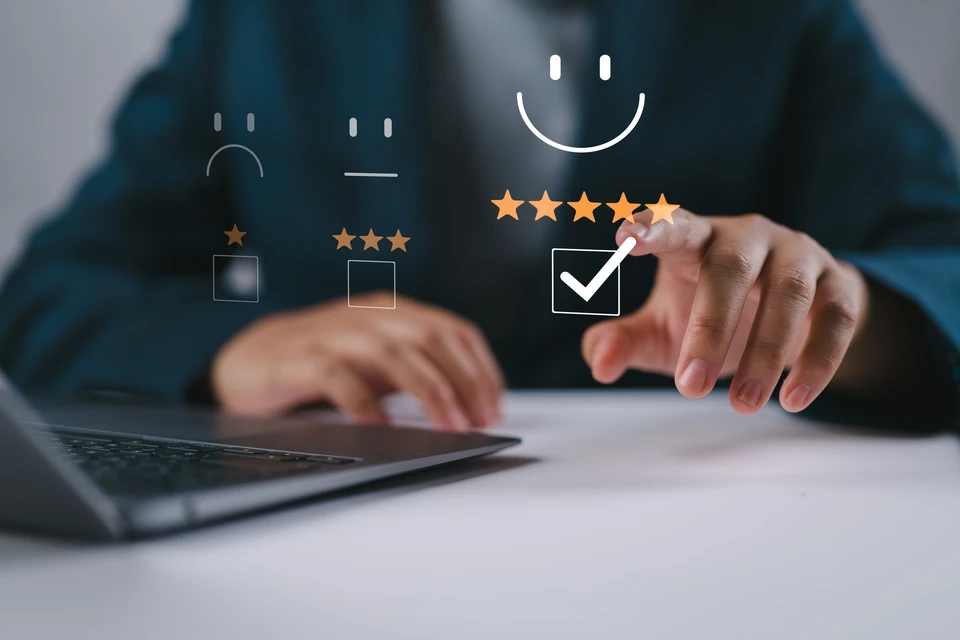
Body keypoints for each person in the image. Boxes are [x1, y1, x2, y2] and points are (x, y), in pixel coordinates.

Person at [1, 0, 958, 431]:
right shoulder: (259, 15)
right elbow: (49, 293)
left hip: (670, 547)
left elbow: (943, 258)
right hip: (318, 558)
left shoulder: (777, 17)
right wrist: (229, 352)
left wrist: (836, 315)